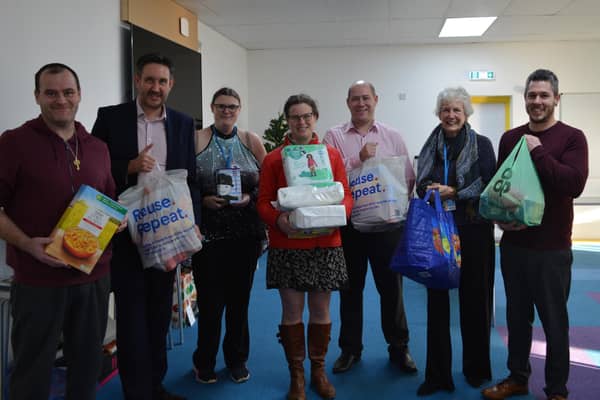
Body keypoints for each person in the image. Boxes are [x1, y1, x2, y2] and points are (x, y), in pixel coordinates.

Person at [0, 63, 116, 399]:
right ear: (37, 96)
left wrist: (116, 219)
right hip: (38, 280)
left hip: (93, 277)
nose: (60, 100)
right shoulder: (13, 143)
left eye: (68, 92)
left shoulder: (97, 147)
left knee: (87, 368)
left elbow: (107, 201)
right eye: (50, 92)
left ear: (79, 95)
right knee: (31, 371)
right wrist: (26, 243)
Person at [91, 53, 200, 400]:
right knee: (131, 314)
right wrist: (129, 166)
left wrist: (191, 223)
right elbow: (94, 170)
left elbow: (191, 179)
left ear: (171, 85)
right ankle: (136, 391)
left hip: (167, 232)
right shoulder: (110, 118)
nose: (156, 88)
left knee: (158, 313)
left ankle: (155, 384)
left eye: (162, 81)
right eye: (149, 80)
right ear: (137, 81)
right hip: (125, 234)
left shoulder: (183, 123)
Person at [482, 70, 588, 400]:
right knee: (516, 318)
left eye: (544, 95)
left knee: (554, 324)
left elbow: (573, 185)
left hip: (552, 249)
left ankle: (557, 390)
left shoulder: (572, 137)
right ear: (525, 99)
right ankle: (517, 378)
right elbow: (503, 189)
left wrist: (539, 151)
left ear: (557, 99)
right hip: (514, 246)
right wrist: (501, 220)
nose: (537, 101)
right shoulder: (509, 138)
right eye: (532, 96)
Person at [257, 94, 352, 400]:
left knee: (321, 309)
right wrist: (278, 220)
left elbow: (345, 194)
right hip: (289, 244)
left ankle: (318, 371)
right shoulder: (274, 159)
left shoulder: (331, 156)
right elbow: (262, 203)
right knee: (292, 311)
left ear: (316, 117)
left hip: (326, 242)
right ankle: (296, 375)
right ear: (287, 120)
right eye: (295, 116)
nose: (301, 121)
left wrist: (341, 213)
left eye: (307, 115)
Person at [322, 80, 416, 374]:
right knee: (350, 290)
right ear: (347, 102)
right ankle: (350, 350)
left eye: (366, 98)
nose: (361, 103)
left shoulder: (393, 136)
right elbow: (328, 178)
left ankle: (399, 349)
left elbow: (408, 179)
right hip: (350, 227)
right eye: (355, 99)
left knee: (392, 291)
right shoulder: (333, 136)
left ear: (376, 99)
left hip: (388, 227)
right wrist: (358, 160)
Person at [414, 87, 496, 396]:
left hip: (474, 229)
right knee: (436, 304)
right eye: (446, 110)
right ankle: (437, 375)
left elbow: (487, 185)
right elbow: (419, 183)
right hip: (438, 231)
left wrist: (455, 192)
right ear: (439, 114)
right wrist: (431, 189)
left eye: (457, 110)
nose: (451, 115)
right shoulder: (430, 145)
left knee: (475, 301)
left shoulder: (482, 145)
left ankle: (476, 369)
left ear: (466, 114)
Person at [191, 87, 267, 384]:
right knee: (210, 303)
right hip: (208, 234)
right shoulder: (197, 139)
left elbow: (268, 181)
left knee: (239, 302)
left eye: (232, 107)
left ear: (239, 108)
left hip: (245, 234)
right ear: (212, 107)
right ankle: (204, 361)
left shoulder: (251, 140)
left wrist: (250, 197)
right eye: (221, 106)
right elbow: (184, 181)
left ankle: (237, 359)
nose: (227, 111)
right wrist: (202, 202)